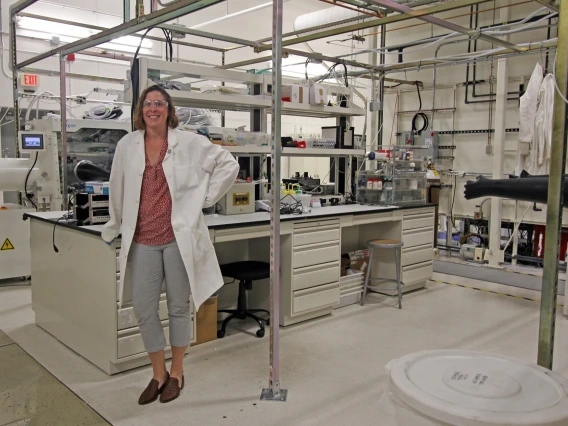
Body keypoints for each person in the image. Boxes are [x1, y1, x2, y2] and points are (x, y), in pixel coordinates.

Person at [101, 85, 239, 404]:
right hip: (143, 240)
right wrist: (113, 225)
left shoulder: (188, 142)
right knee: (144, 309)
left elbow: (228, 164)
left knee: (178, 307)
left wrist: (205, 199)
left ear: (168, 109)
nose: (153, 108)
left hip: (178, 239)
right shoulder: (127, 145)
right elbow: (117, 186)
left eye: (159, 103)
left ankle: (176, 372)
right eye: (148, 103)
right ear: (141, 110)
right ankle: (157, 373)